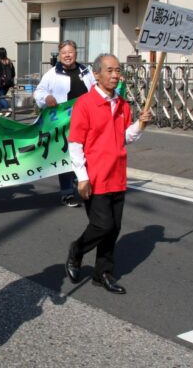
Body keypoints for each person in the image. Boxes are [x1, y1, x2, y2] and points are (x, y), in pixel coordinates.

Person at [65, 53, 152, 294]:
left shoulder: (122, 104)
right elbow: (75, 143)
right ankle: (77, 251)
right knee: (102, 225)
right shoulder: (85, 103)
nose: (115, 75)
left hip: (117, 175)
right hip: (94, 177)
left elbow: (124, 137)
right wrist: (82, 177)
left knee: (114, 228)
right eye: (110, 70)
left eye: (118, 70)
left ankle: (102, 272)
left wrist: (140, 125)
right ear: (96, 74)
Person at [34, 40, 95, 208]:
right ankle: (67, 192)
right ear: (59, 56)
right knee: (65, 156)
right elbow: (39, 91)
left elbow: (95, 90)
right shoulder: (52, 74)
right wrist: (46, 97)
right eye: (64, 53)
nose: (67, 55)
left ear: (76, 53)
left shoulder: (86, 71)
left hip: (86, 120)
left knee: (86, 153)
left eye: (71, 52)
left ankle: (82, 181)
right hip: (63, 124)